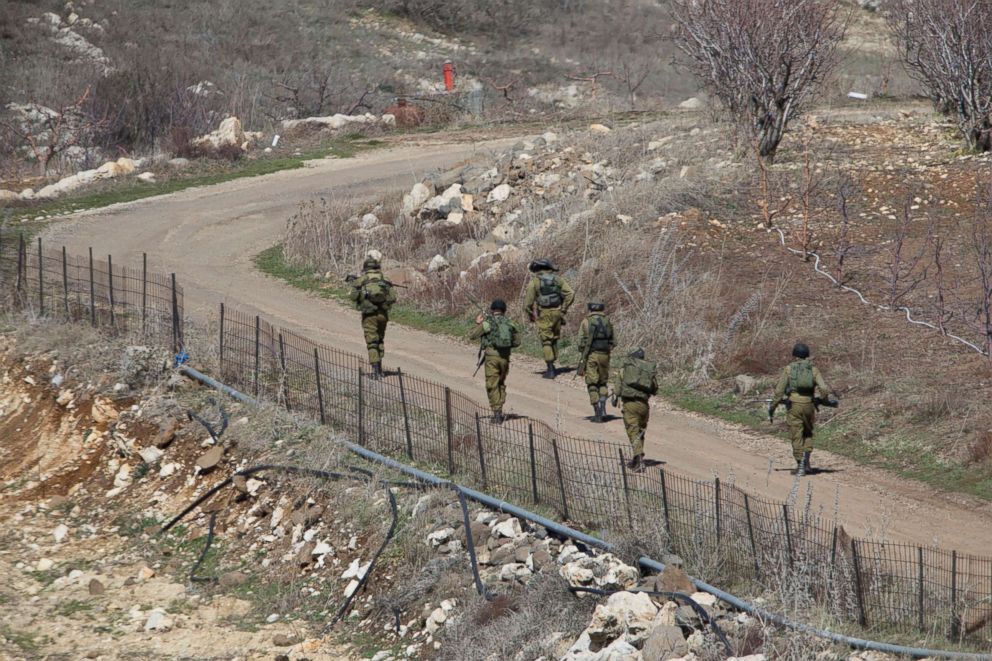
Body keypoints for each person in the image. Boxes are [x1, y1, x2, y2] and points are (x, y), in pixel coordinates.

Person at [768, 342, 838, 476]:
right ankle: (807, 464)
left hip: (794, 406)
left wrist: (772, 407)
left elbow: (778, 392)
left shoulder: (789, 369)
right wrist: (823, 401)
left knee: (796, 436)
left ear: (794, 355)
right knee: (807, 434)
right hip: (809, 406)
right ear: (807, 355)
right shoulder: (813, 370)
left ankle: (800, 466)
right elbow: (823, 388)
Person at [469, 299, 520, 424]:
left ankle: (497, 413)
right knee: (500, 383)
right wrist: (505, 345)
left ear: (492, 310)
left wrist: (478, 323)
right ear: (504, 310)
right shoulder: (510, 323)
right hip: (505, 359)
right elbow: (517, 342)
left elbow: (472, 335)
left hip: (491, 358)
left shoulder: (488, 323)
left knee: (492, 385)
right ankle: (500, 407)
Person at [522, 258, 575, 379]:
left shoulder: (535, 282)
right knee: (554, 338)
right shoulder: (557, 279)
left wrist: (531, 315)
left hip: (544, 313)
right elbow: (570, 293)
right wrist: (563, 309)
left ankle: (550, 368)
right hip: (557, 312)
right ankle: (553, 363)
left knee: (546, 340)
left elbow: (527, 304)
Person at [347, 256, 396, 379]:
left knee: (372, 342)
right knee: (380, 339)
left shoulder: (362, 280)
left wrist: (358, 290)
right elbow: (393, 297)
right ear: (377, 268)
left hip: (369, 315)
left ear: (365, 268)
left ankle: (375, 371)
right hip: (383, 315)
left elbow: (353, 297)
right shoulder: (385, 280)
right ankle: (380, 367)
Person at [611, 348, 658, 472]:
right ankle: (636, 458)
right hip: (644, 406)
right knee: (640, 431)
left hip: (630, 404)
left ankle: (639, 458)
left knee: (632, 431)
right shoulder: (647, 371)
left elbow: (617, 390)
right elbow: (655, 389)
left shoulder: (625, 369)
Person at [576, 301, 615, 422]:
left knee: (592, 383)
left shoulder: (586, 321)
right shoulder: (607, 321)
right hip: (605, 356)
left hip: (592, 355)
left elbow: (580, 342)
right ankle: (603, 407)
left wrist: (584, 353)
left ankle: (597, 412)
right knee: (603, 383)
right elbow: (614, 341)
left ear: (590, 309)